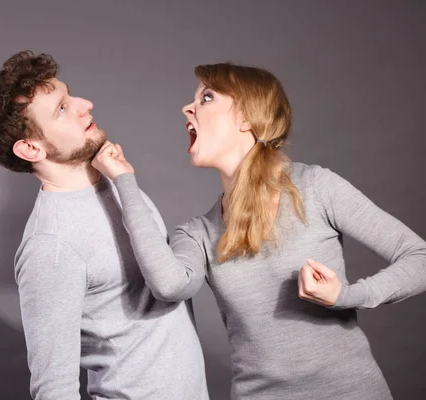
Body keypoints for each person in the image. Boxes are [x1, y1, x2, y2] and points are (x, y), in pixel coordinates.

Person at [92, 62, 426, 400]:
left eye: (206, 98)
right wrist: (124, 182)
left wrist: (347, 296)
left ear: (247, 118)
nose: (187, 108)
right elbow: (169, 285)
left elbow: (419, 258)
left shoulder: (316, 188)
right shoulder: (198, 233)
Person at [0, 50, 208, 400]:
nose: (86, 104)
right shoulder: (50, 245)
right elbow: (54, 390)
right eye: (62, 108)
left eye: (70, 94)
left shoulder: (116, 180)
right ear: (31, 148)